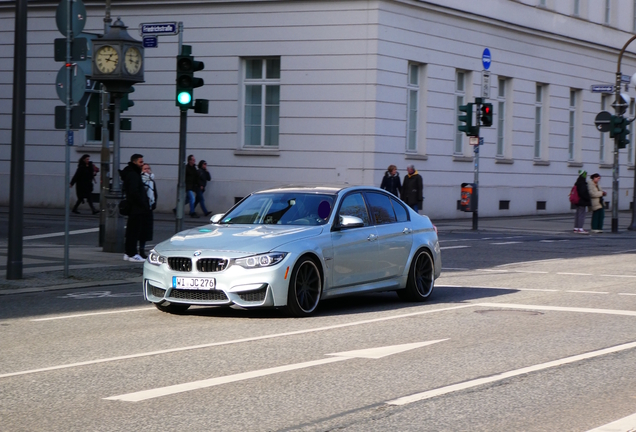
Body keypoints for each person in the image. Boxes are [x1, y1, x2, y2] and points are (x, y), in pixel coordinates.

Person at [120, 154, 150, 262]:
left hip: (135, 207)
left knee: (131, 231)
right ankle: (132, 253)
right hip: (136, 208)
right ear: (134, 162)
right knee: (134, 231)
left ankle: (129, 253)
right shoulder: (133, 174)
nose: (142, 164)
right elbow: (134, 192)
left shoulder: (132, 173)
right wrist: (142, 203)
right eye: (140, 162)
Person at [140, 163, 158, 259]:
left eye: (148, 168)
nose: (147, 170)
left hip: (149, 207)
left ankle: (142, 249)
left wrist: (154, 204)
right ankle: (139, 250)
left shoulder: (151, 180)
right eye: (145, 169)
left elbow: (155, 192)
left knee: (146, 232)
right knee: (140, 230)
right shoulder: (141, 180)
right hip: (142, 208)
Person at [573, 169, 591, 234]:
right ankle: (580, 228)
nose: (586, 176)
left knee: (577, 214)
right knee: (581, 214)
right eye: (586, 174)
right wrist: (588, 198)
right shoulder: (582, 183)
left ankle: (576, 228)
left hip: (577, 201)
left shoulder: (577, 182)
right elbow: (583, 193)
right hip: (581, 201)